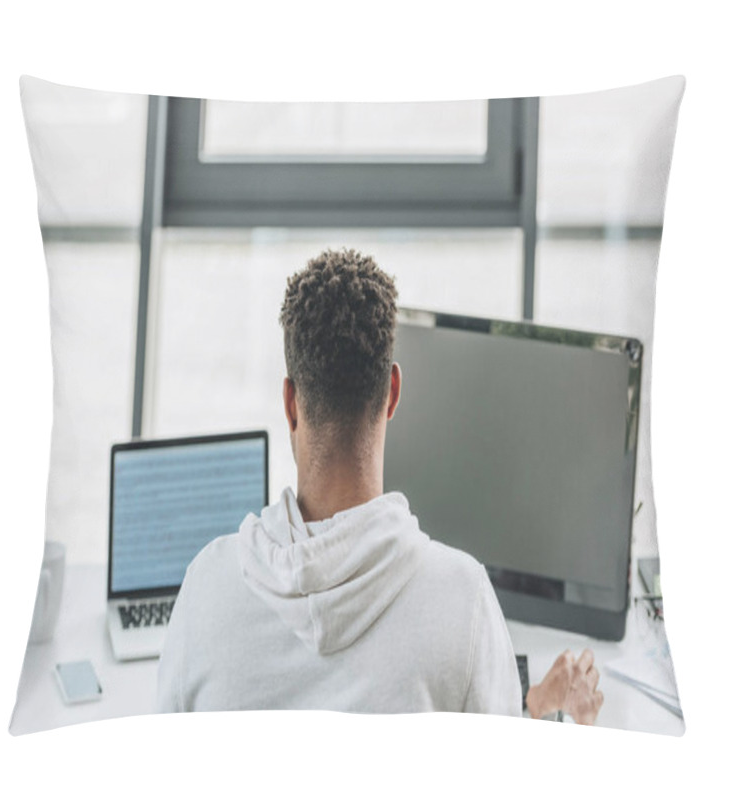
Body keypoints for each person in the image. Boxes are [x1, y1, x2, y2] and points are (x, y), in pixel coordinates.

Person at [157, 248, 603, 722]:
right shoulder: (463, 599)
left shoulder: (207, 585)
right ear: (392, 392)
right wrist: (557, 717)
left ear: (290, 403)